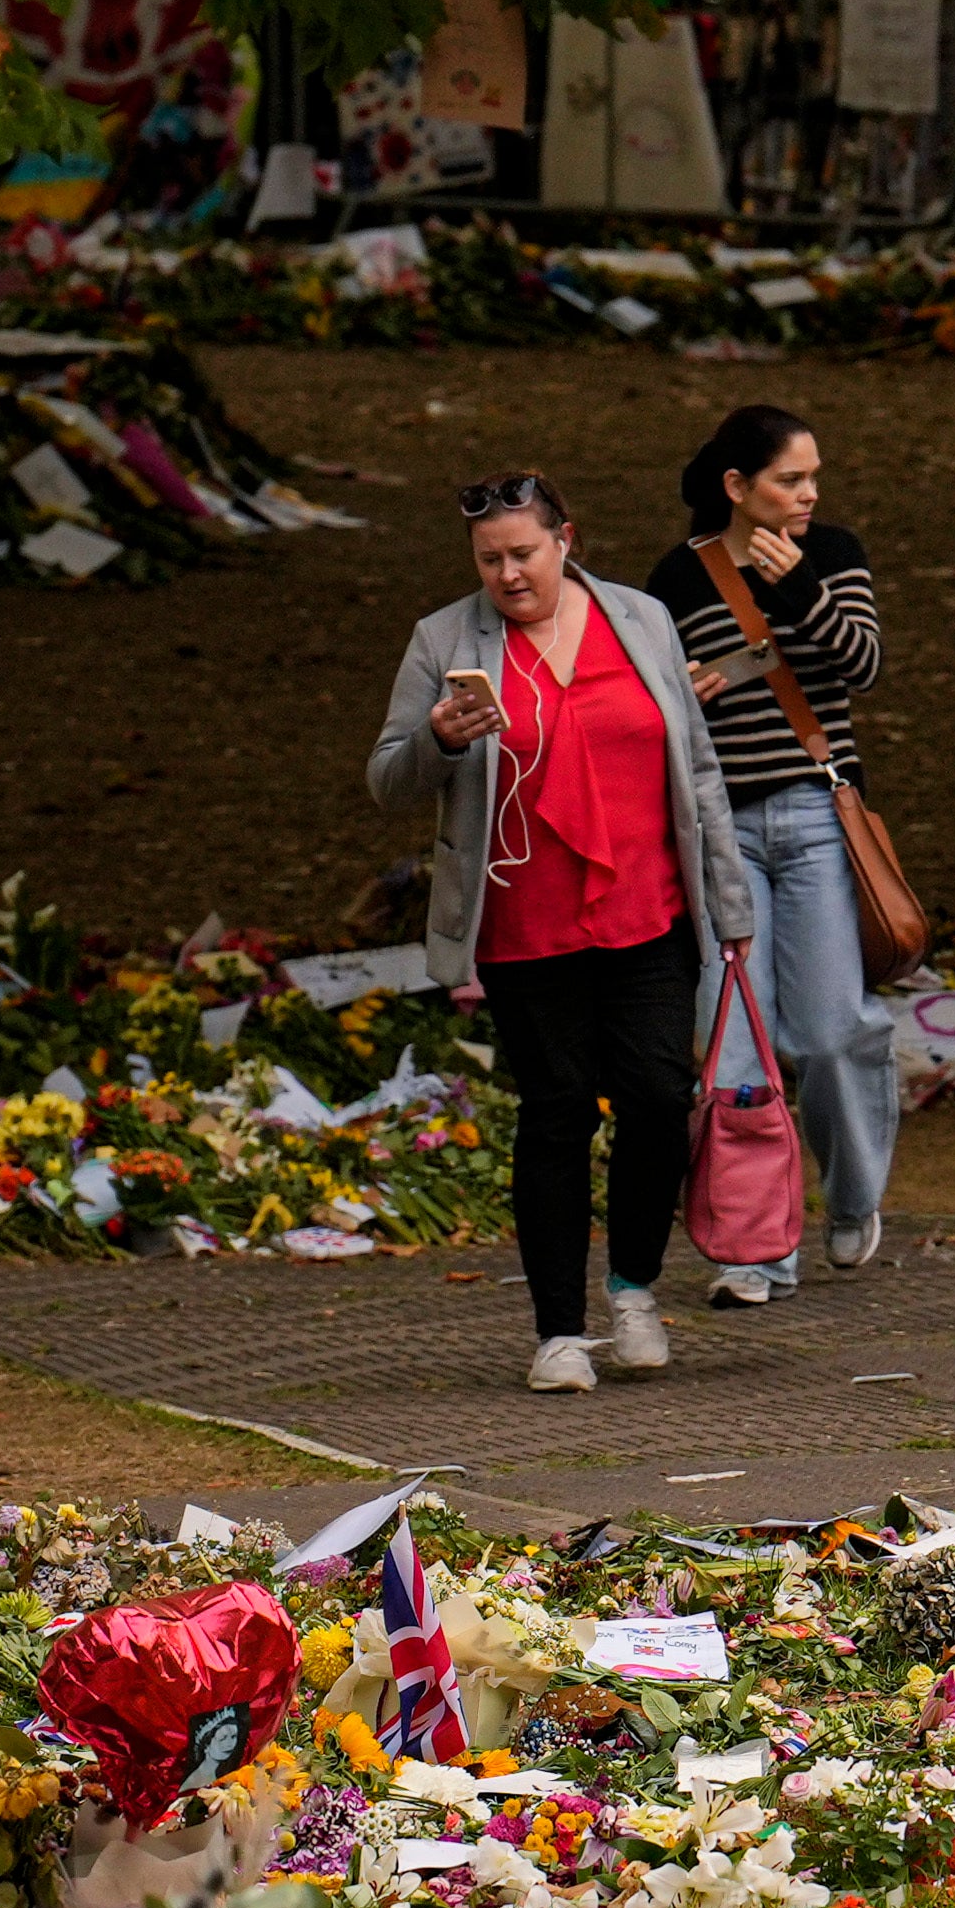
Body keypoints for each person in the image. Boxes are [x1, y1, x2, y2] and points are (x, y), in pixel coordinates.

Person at [366, 473, 758, 1395]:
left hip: (649, 907)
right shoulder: (444, 639)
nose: (507, 574)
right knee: (557, 1113)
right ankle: (559, 1332)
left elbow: (695, 766)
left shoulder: (642, 620)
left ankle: (633, 1290)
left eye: (523, 553)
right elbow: (387, 778)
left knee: (659, 1098)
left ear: (565, 540)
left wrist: (731, 906)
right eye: (489, 559)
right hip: (524, 920)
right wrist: (443, 737)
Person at [645, 408, 895, 1304]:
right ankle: (755, 1252)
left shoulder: (832, 552)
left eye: (813, 477)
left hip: (817, 812)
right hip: (721, 828)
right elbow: (654, 717)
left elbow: (862, 666)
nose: (810, 494)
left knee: (829, 1031)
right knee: (735, 1044)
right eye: (791, 480)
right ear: (736, 487)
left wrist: (798, 596)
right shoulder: (677, 578)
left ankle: (854, 1196)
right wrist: (687, 696)